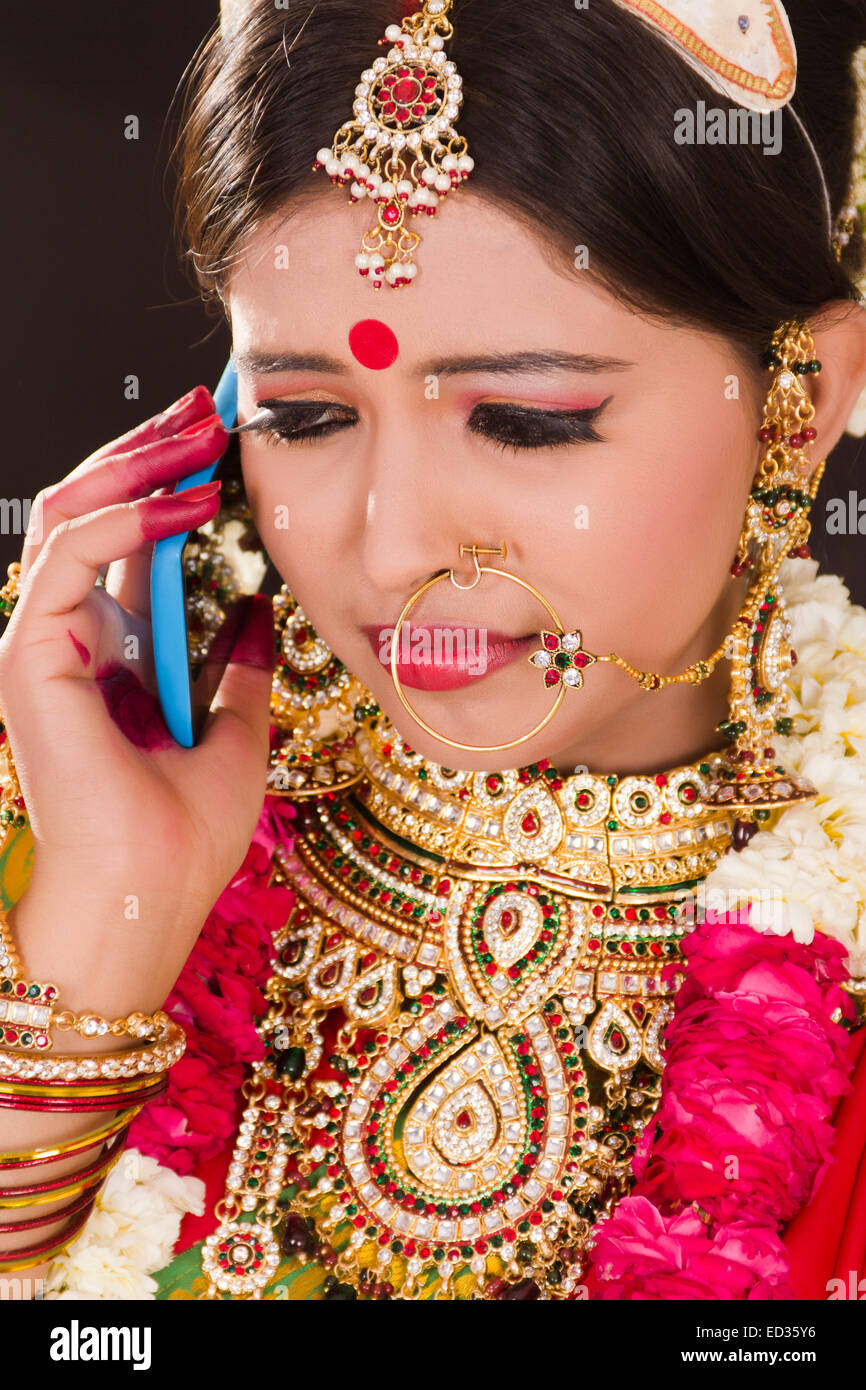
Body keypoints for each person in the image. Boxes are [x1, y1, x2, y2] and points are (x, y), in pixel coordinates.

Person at [1, 0, 866, 1302]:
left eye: (523, 419)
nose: (392, 545)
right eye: (301, 414)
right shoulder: (63, 805)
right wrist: (102, 928)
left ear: (798, 406)